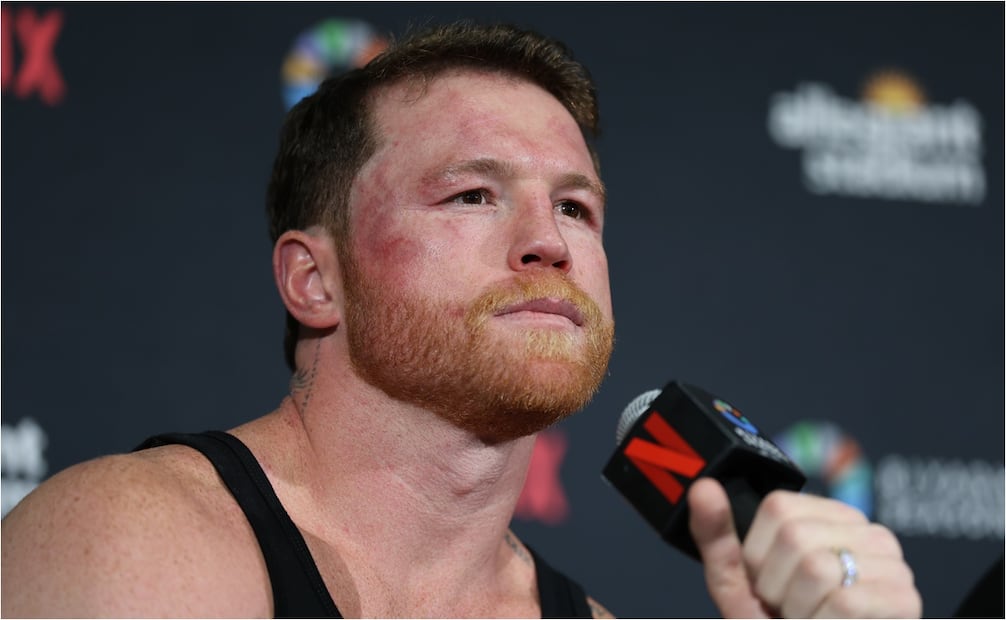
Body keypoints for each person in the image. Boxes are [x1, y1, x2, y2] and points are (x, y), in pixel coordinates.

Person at [1, 21, 922, 618]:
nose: (548, 244)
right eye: (474, 194)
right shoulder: (140, 542)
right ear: (314, 281)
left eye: (576, 207)